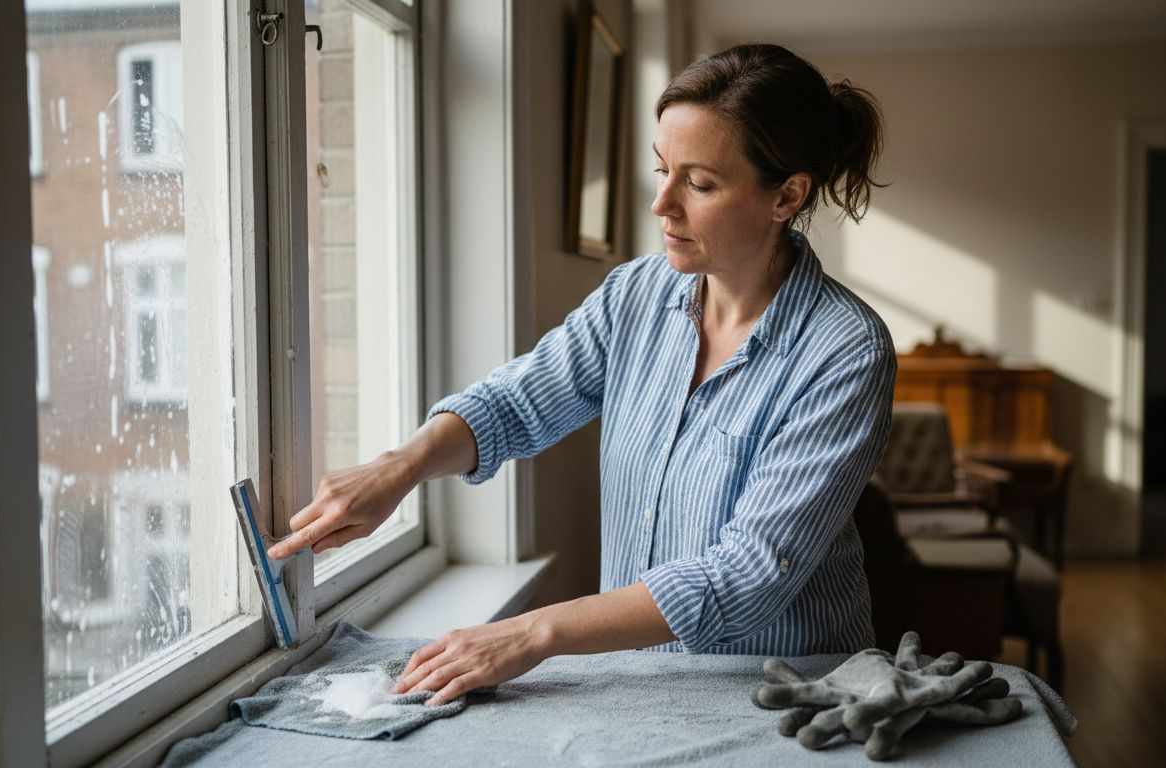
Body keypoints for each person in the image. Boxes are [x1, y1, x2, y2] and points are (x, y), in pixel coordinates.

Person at [266, 43, 894, 707]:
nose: (662, 204)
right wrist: (400, 468)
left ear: (787, 195)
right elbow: (515, 405)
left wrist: (533, 632)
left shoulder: (847, 352)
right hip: (643, 687)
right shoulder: (635, 296)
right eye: (661, 170)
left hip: (794, 696)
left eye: (700, 184)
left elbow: (749, 574)